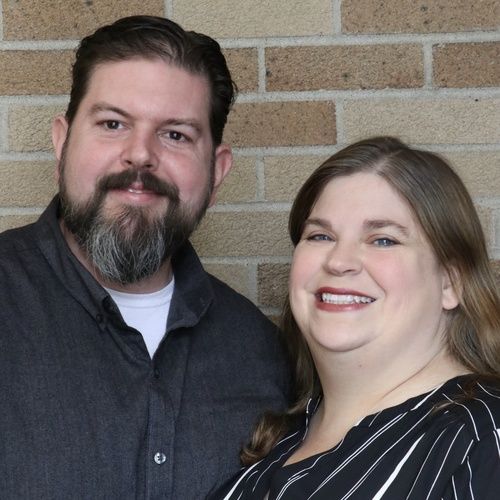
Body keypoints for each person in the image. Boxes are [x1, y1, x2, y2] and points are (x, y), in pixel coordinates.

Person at [0, 16, 289, 499]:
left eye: (175, 135)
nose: (140, 155)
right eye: (113, 124)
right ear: (62, 143)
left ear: (217, 172)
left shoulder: (261, 353)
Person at [212, 136, 500, 499]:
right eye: (320, 236)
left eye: (383, 240)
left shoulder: (481, 439)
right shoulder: (278, 440)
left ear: (450, 282)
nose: (339, 261)